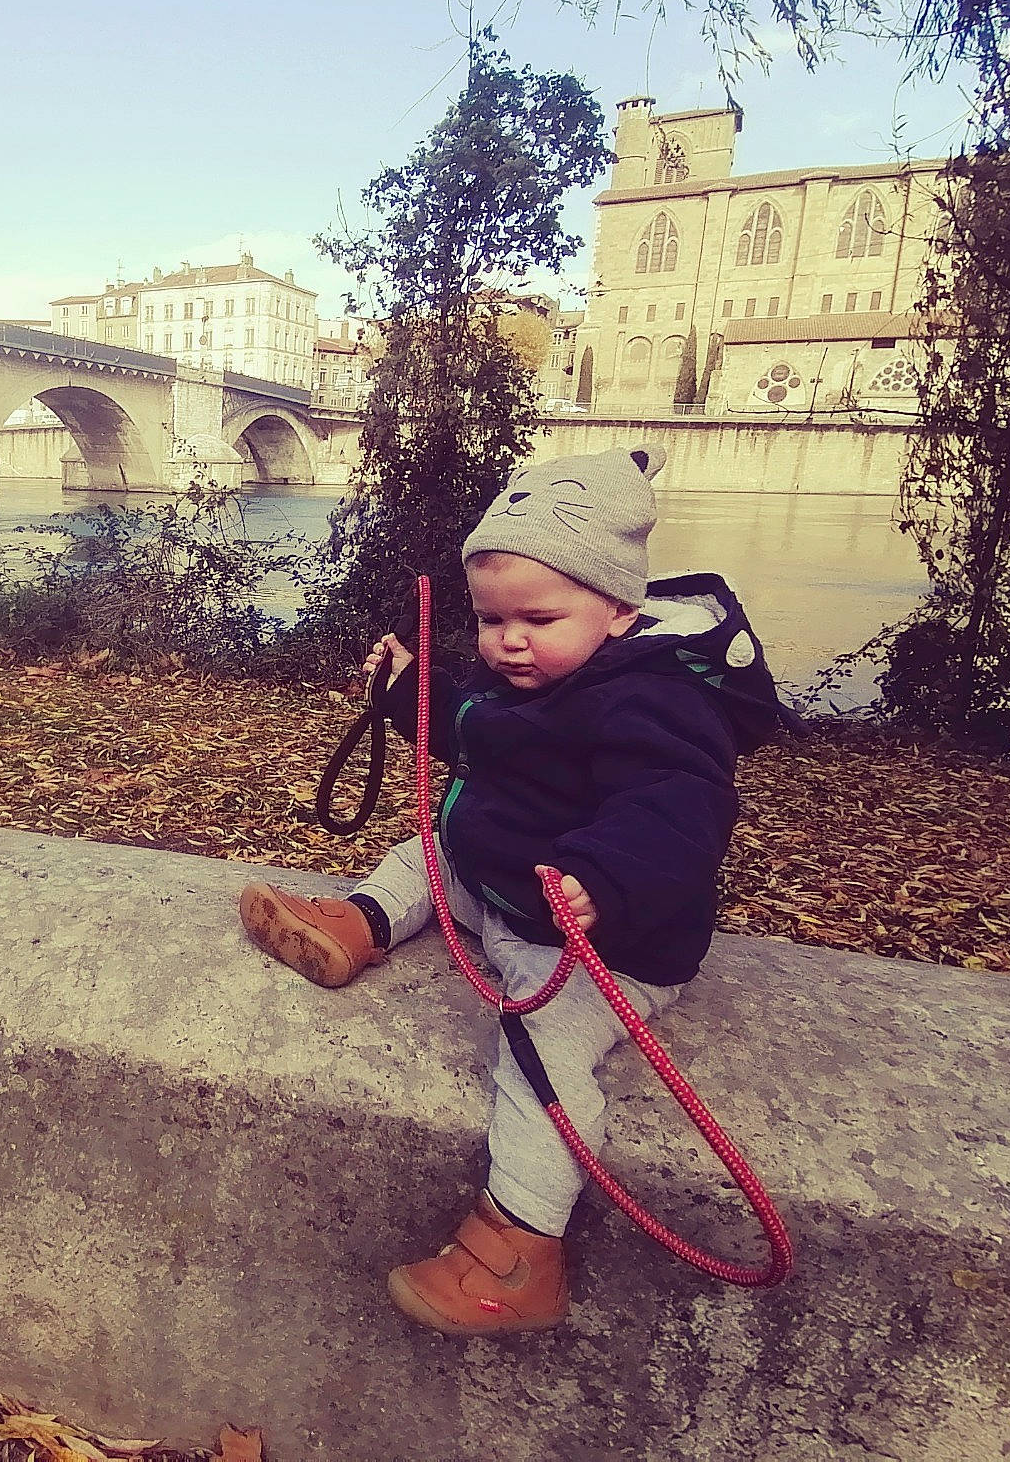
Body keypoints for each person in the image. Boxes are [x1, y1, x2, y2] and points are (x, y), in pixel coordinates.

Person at [238, 444, 796, 1336]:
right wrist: (411, 691)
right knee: (429, 854)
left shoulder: (652, 702)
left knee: (540, 1044)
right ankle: (359, 922)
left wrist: (605, 882)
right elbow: (479, 733)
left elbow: (678, 809)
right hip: (504, 886)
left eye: (536, 617)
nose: (509, 641)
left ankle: (524, 1241)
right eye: (490, 620)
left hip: (601, 938)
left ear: (618, 608)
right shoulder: (537, 675)